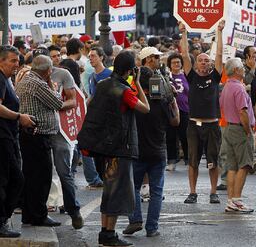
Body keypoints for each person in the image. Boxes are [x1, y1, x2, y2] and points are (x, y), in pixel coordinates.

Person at [77, 50, 150, 246]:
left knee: (109, 190)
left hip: (102, 147)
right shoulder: (124, 90)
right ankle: (109, 234)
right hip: (120, 148)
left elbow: (90, 105)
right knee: (116, 193)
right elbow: (145, 108)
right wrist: (138, 83)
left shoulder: (102, 85)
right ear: (129, 70)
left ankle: (105, 233)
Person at [123, 48, 179, 237]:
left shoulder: (133, 100)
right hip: (157, 150)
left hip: (138, 150)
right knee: (156, 191)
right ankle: (152, 227)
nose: (157, 60)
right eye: (154, 57)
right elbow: (175, 121)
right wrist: (172, 100)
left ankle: (135, 219)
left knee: (133, 188)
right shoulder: (161, 101)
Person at [16, 55, 74, 227]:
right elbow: (57, 102)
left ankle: (29, 214)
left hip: (31, 135)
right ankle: (39, 215)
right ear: (48, 71)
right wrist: (52, 84)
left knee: (31, 176)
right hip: (37, 136)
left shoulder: (28, 79)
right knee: (41, 178)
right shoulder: (39, 84)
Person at [179, 20, 225, 204]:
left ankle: (213, 192)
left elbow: (220, 53)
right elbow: (184, 55)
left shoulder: (215, 76)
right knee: (193, 161)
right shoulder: (191, 76)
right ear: (196, 63)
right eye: (201, 60)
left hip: (212, 125)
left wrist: (219, 31)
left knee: (213, 161)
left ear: (210, 63)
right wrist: (183, 32)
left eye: (207, 60)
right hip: (194, 125)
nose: (204, 62)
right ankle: (193, 192)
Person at [0, 45, 35, 237]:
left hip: (9, 137)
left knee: (14, 179)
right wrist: (19, 116)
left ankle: (3, 219)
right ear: (1, 61)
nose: (17, 64)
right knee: (9, 180)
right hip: (2, 138)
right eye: (12, 60)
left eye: (18, 60)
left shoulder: (6, 79)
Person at [220, 58, 255, 213]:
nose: (244, 69)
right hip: (239, 128)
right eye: (242, 67)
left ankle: (231, 200)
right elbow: (243, 111)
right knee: (244, 164)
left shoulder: (227, 86)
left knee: (232, 166)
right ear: (236, 70)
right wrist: (248, 130)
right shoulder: (238, 88)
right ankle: (237, 200)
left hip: (228, 127)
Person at [166, 53, 190, 170]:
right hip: (171, 110)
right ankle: (171, 161)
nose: (176, 64)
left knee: (185, 135)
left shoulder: (186, 76)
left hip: (185, 109)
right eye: (173, 62)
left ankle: (188, 159)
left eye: (178, 62)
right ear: (169, 65)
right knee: (170, 136)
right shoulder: (166, 77)